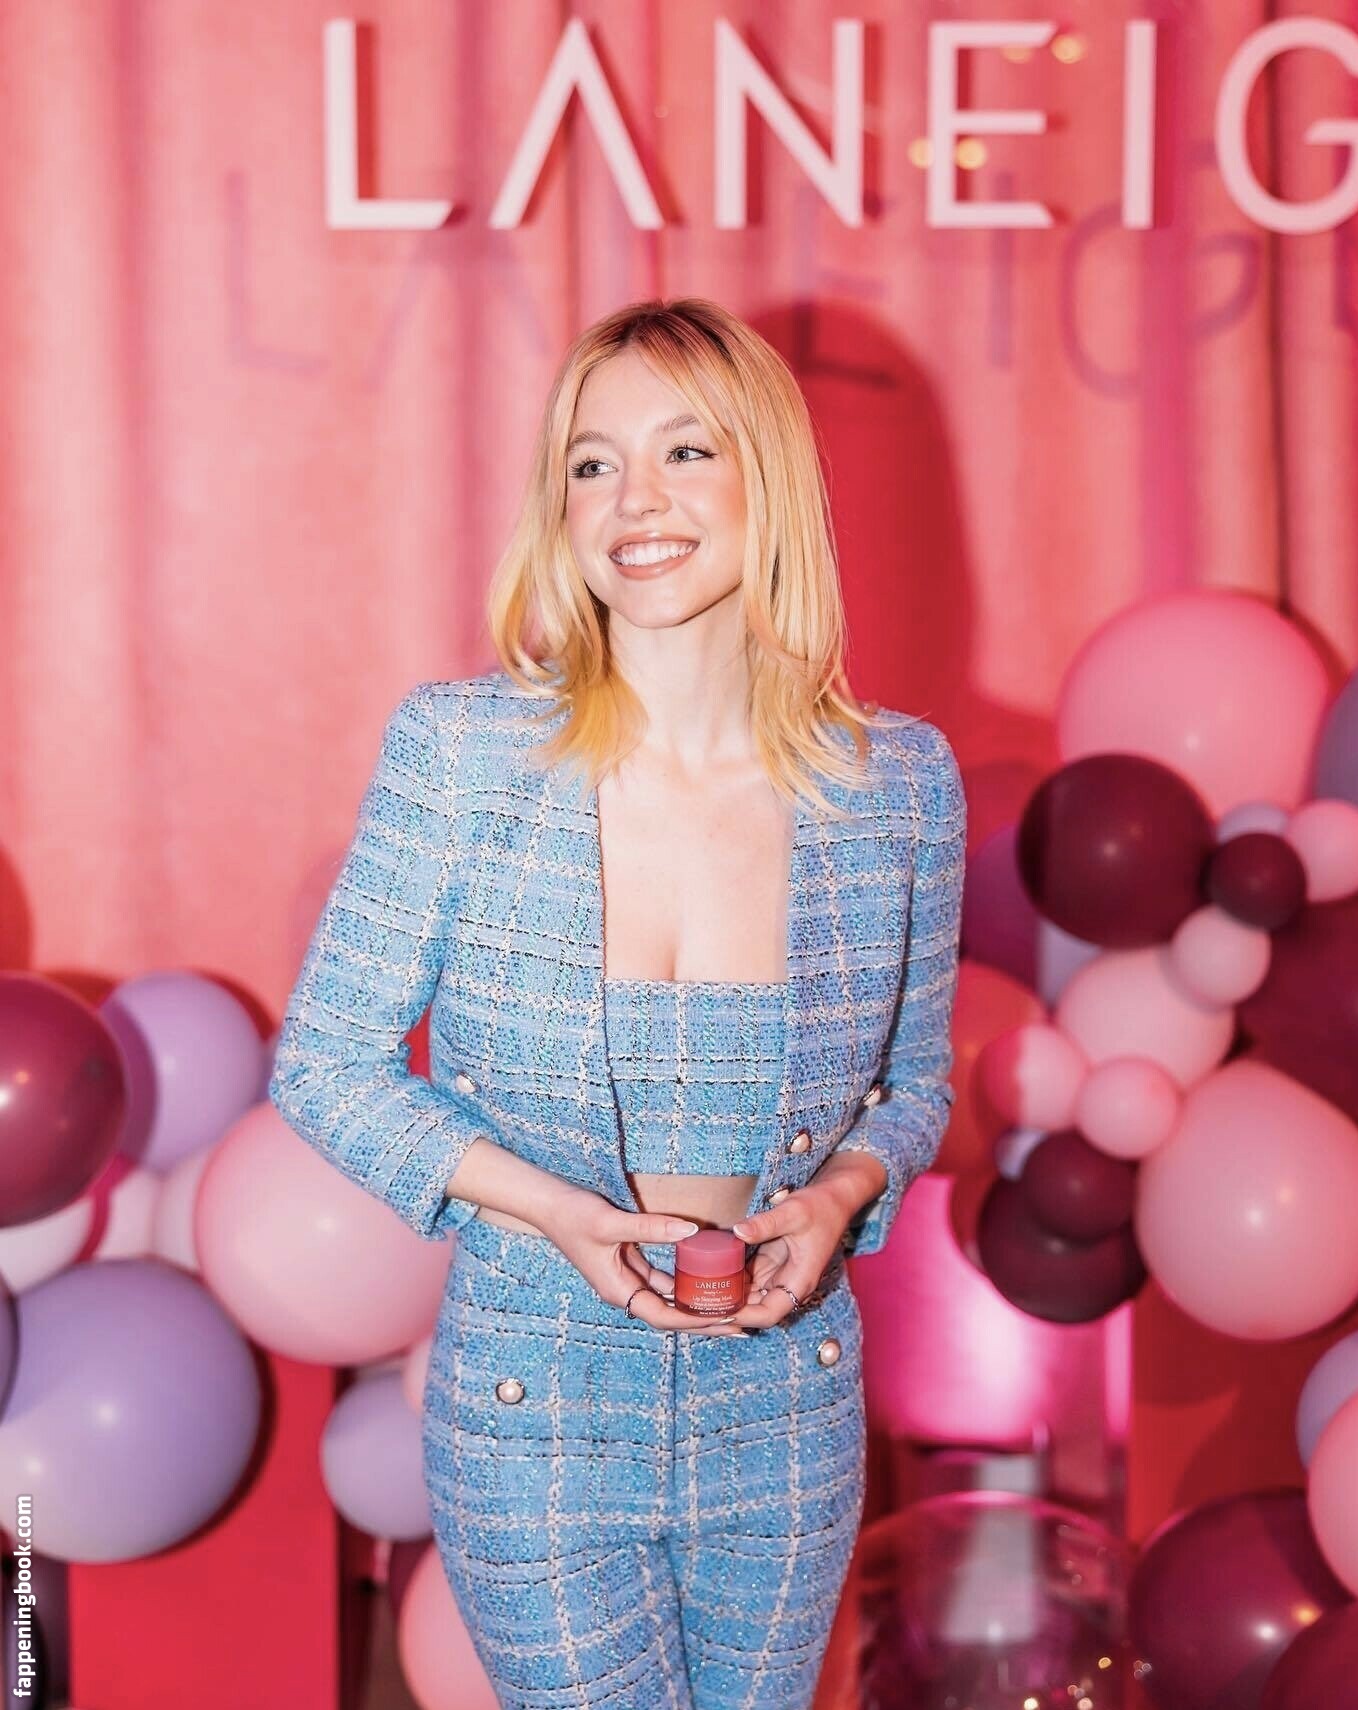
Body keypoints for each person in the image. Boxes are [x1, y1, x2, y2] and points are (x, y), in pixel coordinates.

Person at [269, 297, 966, 1710]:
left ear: (769, 478)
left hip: (788, 1397)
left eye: (685, 451)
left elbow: (917, 1086)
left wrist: (840, 1195)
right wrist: (554, 1213)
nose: (634, 500)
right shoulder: (464, 754)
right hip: (534, 1395)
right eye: (593, 464)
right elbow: (324, 1063)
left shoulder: (898, 783)